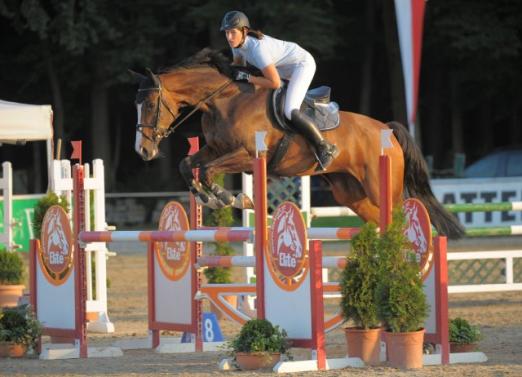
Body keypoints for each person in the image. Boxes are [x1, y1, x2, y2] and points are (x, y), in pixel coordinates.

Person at [220, 10, 339, 170]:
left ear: (244, 31)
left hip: (301, 65)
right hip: (282, 68)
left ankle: (325, 147)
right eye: (227, 32)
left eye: (232, 32)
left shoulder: (257, 49)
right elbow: (238, 67)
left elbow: (275, 83)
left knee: (290, 110)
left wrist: (248, 78)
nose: (229, 37)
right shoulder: (237, 45)